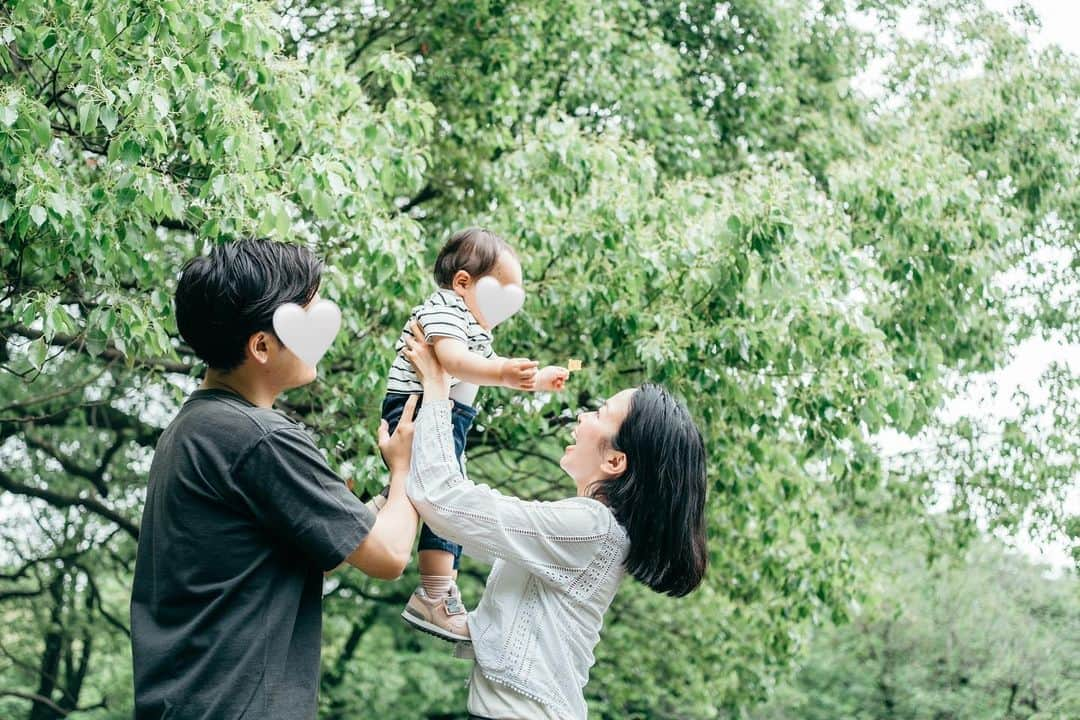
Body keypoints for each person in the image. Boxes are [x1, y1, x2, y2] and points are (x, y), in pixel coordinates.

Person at [129, 239, 420, 720]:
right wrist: (409, 468)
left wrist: (392, 487)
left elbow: (326, 549)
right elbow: (388, 556)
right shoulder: (259, 438)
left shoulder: (193, 430)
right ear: (261, 345)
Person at [399, 318, 709, 720]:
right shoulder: (595, 533)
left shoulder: (591, 528)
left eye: (600, 413)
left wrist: (438, 388)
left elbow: (445, 502)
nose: (582, 418)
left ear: (615, 460)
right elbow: (467, 530)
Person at [380, 227, 569, 642]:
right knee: (447, 500)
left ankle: (385, 509)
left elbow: (483, 364)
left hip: (447, 416)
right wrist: (502, 372)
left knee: (440, 497)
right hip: (420, 412)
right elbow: (454, 361)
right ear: (464, 283)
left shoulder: (470, 321)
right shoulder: (445, 308)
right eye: (501, 292)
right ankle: (434, 594)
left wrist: (535, 380)